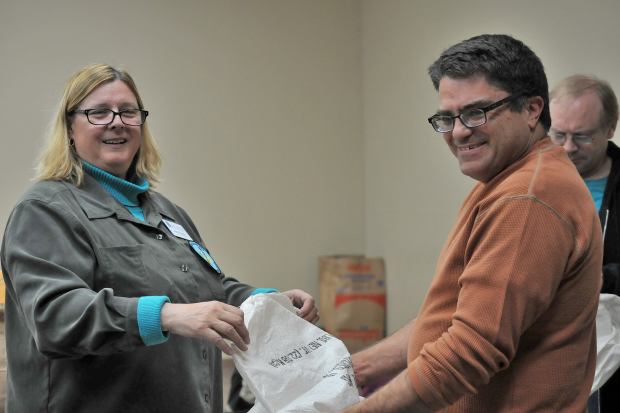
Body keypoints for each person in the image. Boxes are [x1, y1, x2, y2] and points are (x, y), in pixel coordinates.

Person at [0, 63, 318, 413]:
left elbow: (204, 292)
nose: (117, 122)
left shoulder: (166, 212)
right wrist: (165, 316)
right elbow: (55, 318)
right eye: (99, 112)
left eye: (128, 112)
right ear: (70, 129)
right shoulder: (45, 210)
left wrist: (264, 302)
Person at [340, 34, 602, 413]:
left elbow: (468, 349)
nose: (459, 131)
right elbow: (457, 316)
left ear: (531, 109)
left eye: (477, 112)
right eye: (447, 118)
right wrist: (357, 369)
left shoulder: (528, 199)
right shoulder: (509, 179)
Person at [549, 74, 620, 413]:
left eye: (581, 136)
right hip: (547, 353)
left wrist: (600, 277)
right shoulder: (532, 184)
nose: (567, 147)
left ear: (610, 128)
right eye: (558, 134)